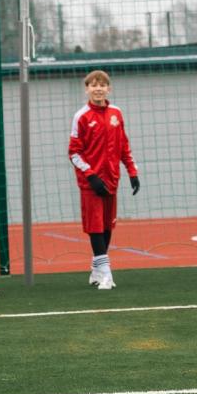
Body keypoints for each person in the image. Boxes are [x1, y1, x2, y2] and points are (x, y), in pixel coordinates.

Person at [67, 69, 139, 290]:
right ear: (86, 89)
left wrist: (132, 172)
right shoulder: (81, 117)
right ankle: (106, 273)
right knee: (96, 226)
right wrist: (91, 175)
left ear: (109, 88)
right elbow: (74, 152)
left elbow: (123, 146)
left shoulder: (117, 113)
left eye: (102, 84)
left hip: (112, 180)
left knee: (107, 226)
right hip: (91, 184)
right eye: (93, 85)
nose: (98, 88)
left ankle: (97, 270)